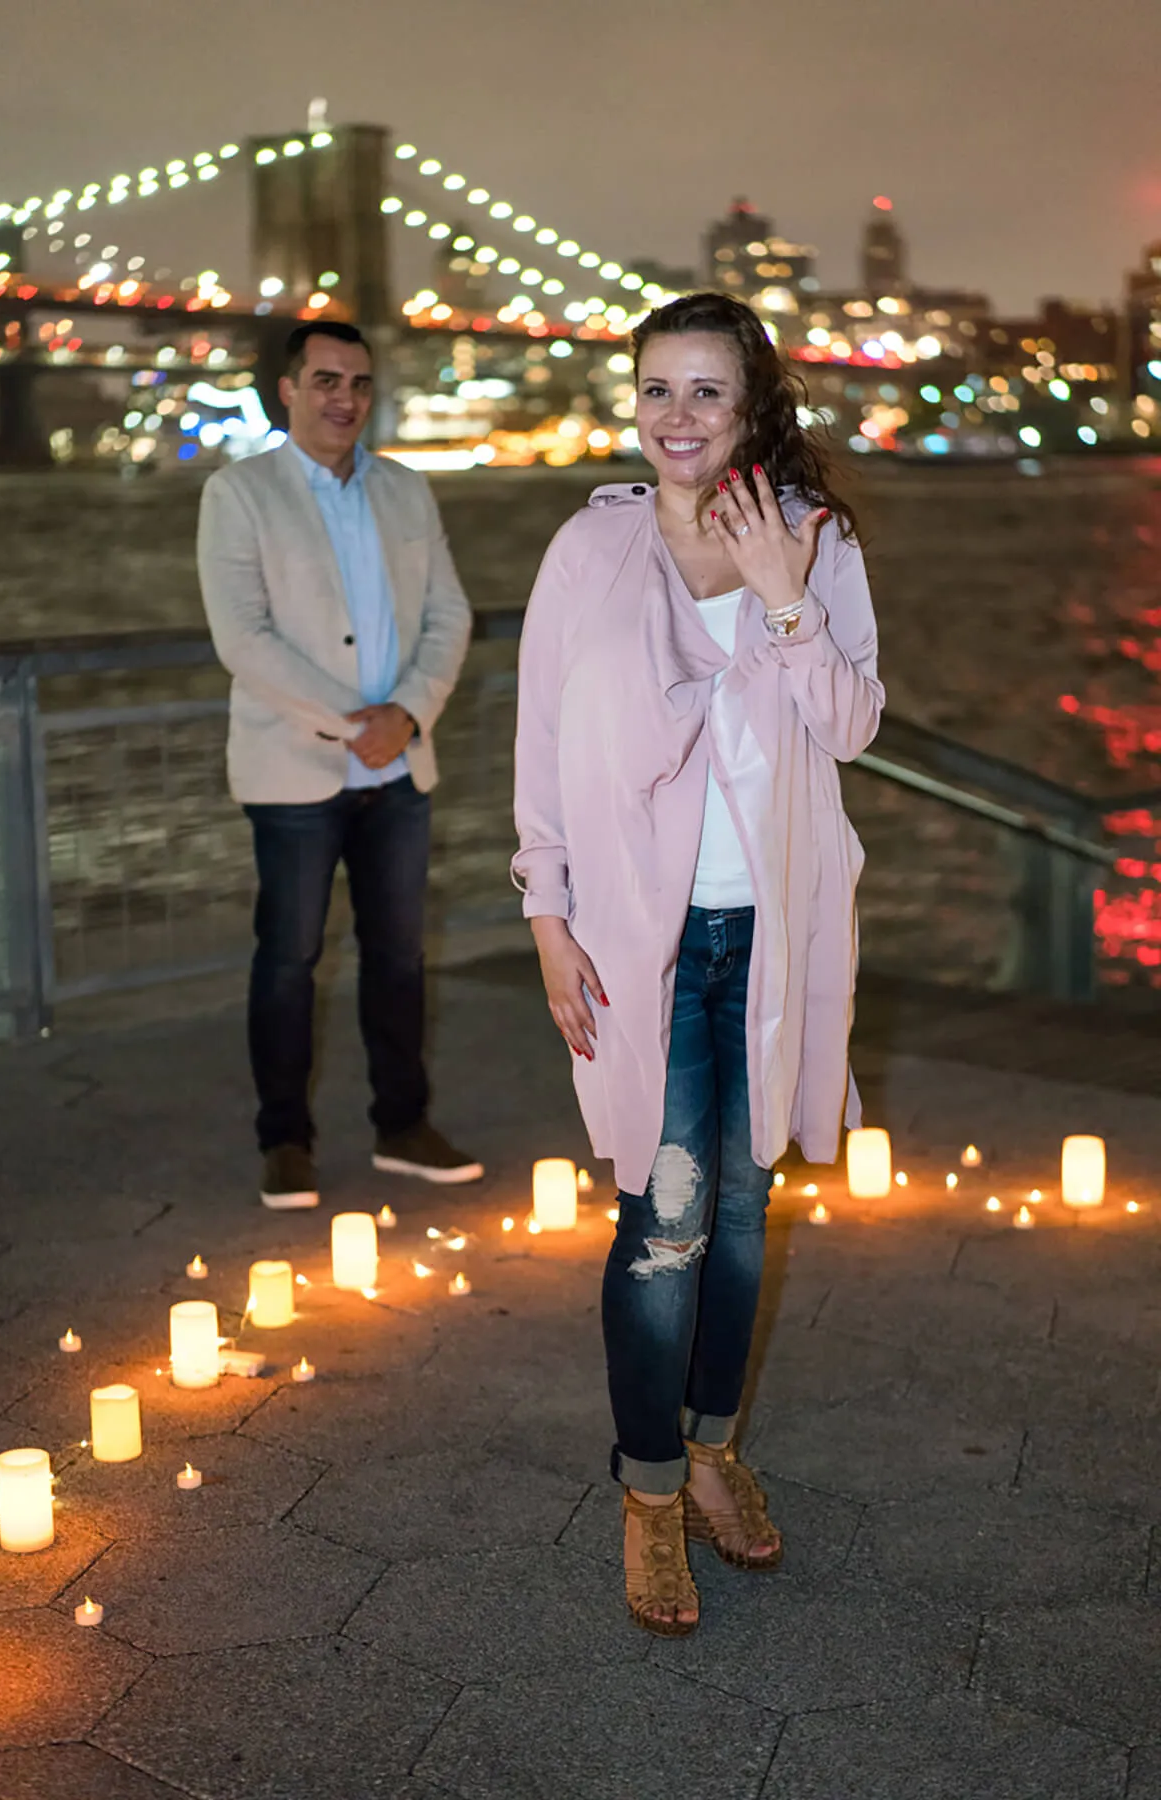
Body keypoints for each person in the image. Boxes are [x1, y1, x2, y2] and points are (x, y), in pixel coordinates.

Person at [512, 292, 882, 1635]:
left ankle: (716, 1449)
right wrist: (547, 918)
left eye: (705, 393)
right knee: (661, 1221)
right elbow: (541, 748)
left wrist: (787, 601)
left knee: (742, 1206)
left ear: (753, 406)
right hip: (634, 943)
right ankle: (651, 1491)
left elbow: (847, 727)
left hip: (768, 931)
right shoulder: (588, 550)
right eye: (656, 390)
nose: (676, 419)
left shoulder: (814, 542)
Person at [198, 320, 482, 1208]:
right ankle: (284, 1139)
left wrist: (407, 714)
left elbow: (450, 616)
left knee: (398, 956)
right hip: (294, 772)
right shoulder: (239, 494)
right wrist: (353, 721)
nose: (344, 398)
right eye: (325, 380)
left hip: (398, 768)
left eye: (358, 382)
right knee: (288, 958)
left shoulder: (406, 490)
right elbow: (242, 636)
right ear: (285, 390)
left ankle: (403, 1123)